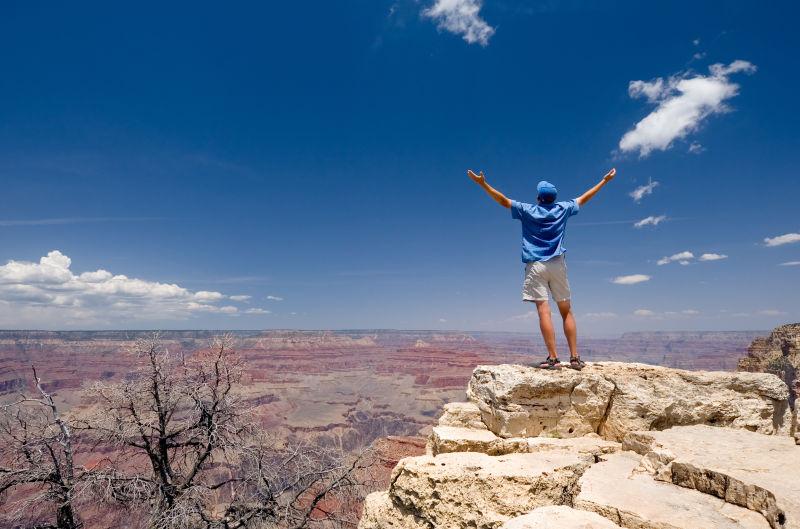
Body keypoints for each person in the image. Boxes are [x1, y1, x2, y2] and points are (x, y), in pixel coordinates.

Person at [467, 167, 616, 370]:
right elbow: (584, 198)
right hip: (558, 264)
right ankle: (574, 358)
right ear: (554, 198)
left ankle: (553, 358)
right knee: (566, 311)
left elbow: (503, 200)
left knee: (544, 312)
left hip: (536, 265)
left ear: (538, 197)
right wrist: (604, 181)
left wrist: (483, 184)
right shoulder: (563, 208)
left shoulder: (528, 210)